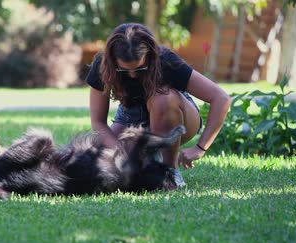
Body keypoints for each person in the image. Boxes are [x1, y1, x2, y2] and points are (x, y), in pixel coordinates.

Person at [85, 23, 232, 188]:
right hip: (131, 119)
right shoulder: (102, 66)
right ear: (112, 61)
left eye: (140, 68)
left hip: (175, 116)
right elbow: (98, 123)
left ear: (150, 56)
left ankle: (169, 171)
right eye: (124, 70)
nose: (132, 75)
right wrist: (120, 153)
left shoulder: (165, 60)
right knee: (95, 156)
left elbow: (221, 98)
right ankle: (150, 158)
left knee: (161, 97)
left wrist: (200, 148)